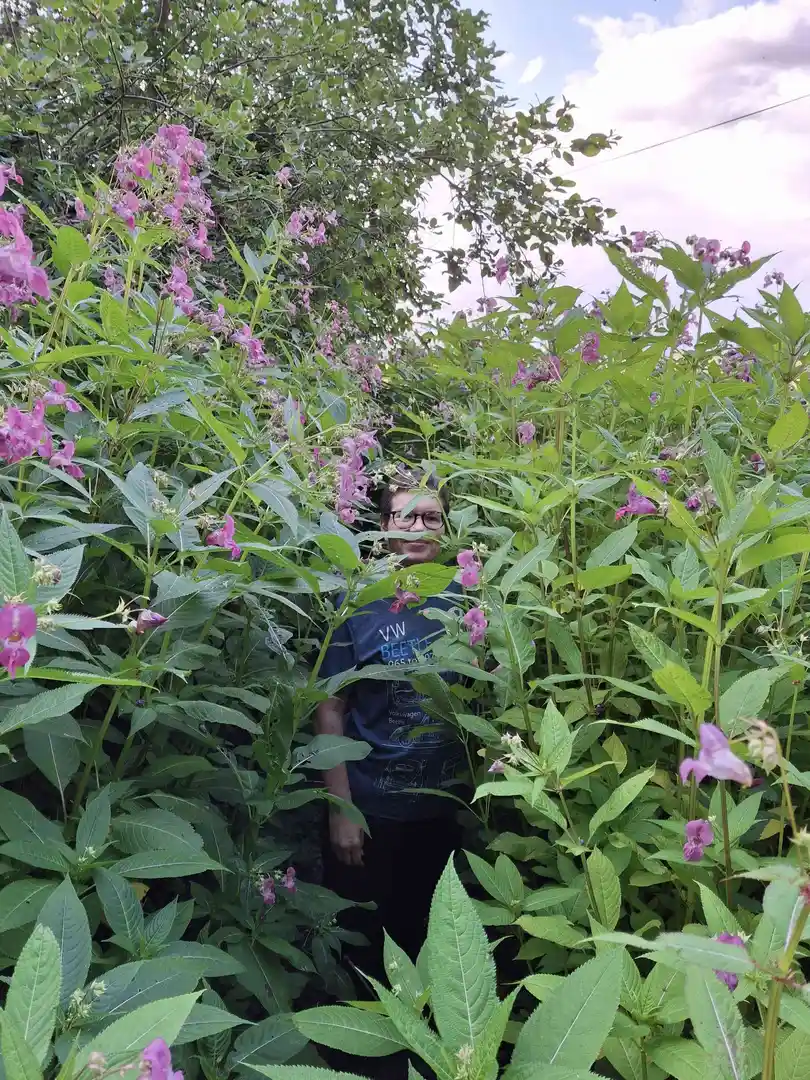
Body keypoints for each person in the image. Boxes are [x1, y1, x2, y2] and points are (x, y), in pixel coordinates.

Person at [316, 469, 465, 978]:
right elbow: (330, 707)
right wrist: (341, 811)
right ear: (384, 525)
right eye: (406, 517)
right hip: (372, 810)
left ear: (446, 527)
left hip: (446, 810)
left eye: (432, 518)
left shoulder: (468, 598)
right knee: (365, 946)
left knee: (433, 943)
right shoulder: (358, 601)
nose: (419, 528)